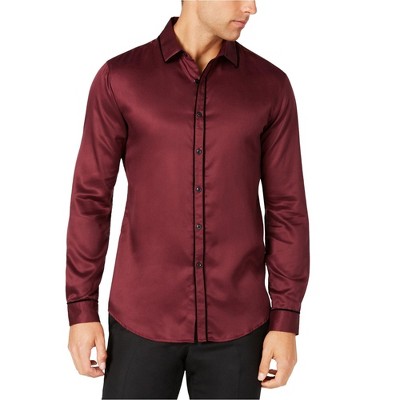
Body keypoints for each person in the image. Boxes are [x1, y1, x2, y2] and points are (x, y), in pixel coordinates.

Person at [66, 1, 310, 399]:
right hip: (140, 319)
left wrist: (285, 320)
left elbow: (287, 207)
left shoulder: (270, 86)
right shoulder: (121, 79)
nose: (251, 7)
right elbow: (91, 199)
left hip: (239, 327)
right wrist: (81, 309)